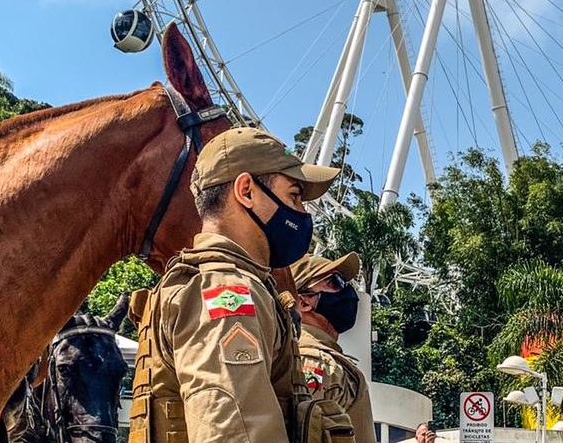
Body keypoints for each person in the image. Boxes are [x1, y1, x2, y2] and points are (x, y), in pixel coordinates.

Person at [127, 127, 340, 443]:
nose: (301, 212)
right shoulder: (226, 294)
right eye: (294, 196)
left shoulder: (233, 286)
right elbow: (236, 433)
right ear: (246, 191)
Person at [291, 252, 377, 443]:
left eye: (346, 284)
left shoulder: (321, 358)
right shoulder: (315, 361)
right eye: (334, 282)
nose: (346, 291)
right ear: (304, 301)